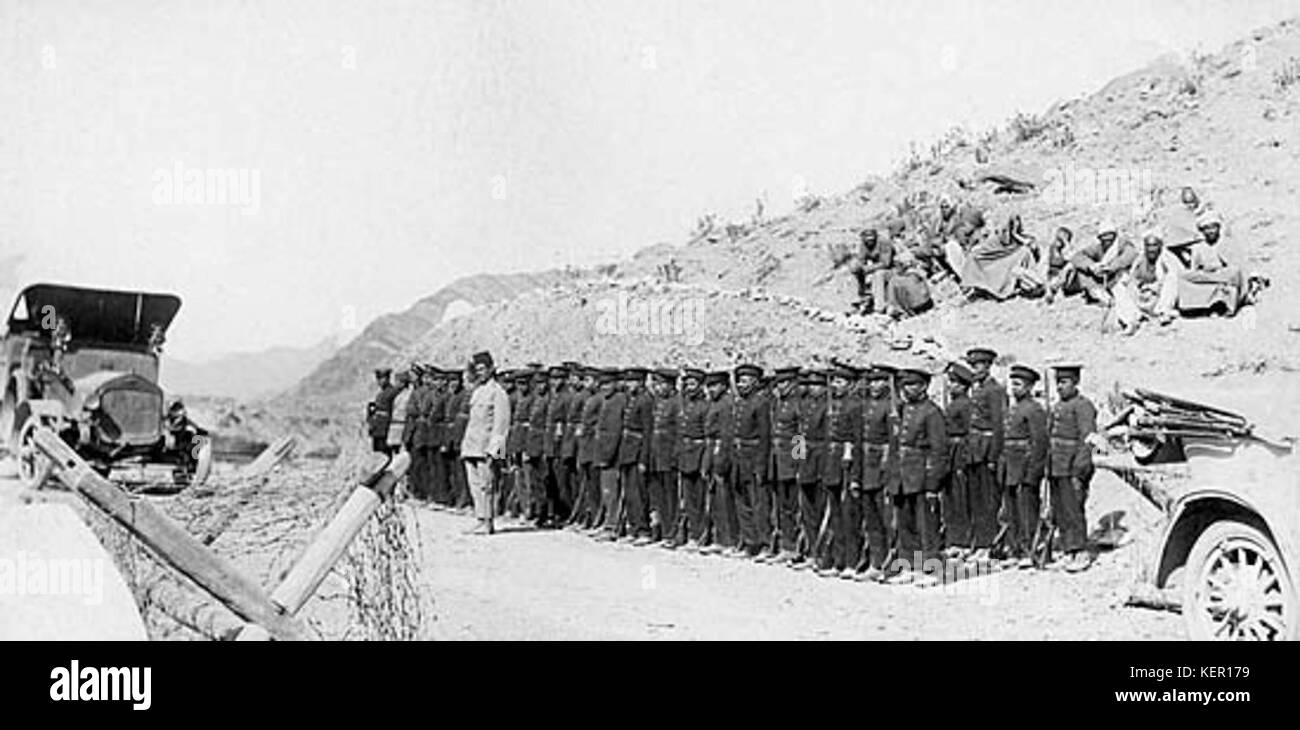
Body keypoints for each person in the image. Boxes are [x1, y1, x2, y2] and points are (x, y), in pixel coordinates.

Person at [886, 367, 947, 586]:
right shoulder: (902, 410)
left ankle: (931, 570)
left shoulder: (932, 412)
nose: (908, 389)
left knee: (926, 525)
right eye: (905, 385)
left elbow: (938, 451)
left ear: (924, 387)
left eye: (913, 384)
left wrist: (933, 483)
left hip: (921, 474)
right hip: (902, 475)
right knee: (906, 525)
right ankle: (910, 565)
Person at [1047, 363, 1099, 572]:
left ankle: (1081, 552)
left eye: (1064, 382)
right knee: (1060, 510)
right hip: (1057, 465)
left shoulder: (1083, 406)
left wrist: (1080, 469)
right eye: (1057, 382)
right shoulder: (1058, 406)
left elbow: (1088, 439)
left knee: (1073, 510)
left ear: (1076, 382)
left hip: (1073, 465)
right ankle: (1069, 550)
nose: (1060, 386)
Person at [1001, 365, 1048, 568]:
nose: (1014, 389)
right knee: (1012, 510)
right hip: (1011, 465)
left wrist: (1033, 471)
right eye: (1012, 384)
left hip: (1025, 465)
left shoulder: (1034, 409)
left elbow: (1040, 442)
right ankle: (1015, 548)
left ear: (1029, 387)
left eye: (1018, 385)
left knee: (1027, 509)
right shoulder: (1013, 409)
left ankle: (1030, 549)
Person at [460, 351, 511, 536]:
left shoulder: (498, 393)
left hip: (485, 448)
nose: (480, 372)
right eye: (477, 369)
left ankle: (489, 521)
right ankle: (480, 518)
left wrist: (495, 452)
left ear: (491, 369)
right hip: (471, 446)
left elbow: (501, 425)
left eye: (483, 369)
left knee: (487, 485)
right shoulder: (478, 391)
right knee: (474, 484)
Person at [964, 347, 1005, 566]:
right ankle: (980, 543)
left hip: (987, 448)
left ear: (988, 366)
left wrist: (993, 456)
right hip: (975, 449)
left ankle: (991, 545)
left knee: (989, 500)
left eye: (978, 365)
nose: (974, 370)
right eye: (971, 366)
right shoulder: (976, 389)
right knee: (976, 500)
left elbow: (998, 425)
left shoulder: (995, 391)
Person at [819, 364, 861, 578]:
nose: (836, 385)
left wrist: (854, 472)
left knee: (848, 515)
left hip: (845, 463)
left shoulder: (855, 406)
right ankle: (836, 559)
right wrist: (800, 462)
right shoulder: (829, 405)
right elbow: (802, 435)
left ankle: (851, 562)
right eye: (834, 381)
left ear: (851, 384)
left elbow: (857, 440)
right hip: (825, 462)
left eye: (841, 381)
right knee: (834, 516)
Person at [1169, 209, 1251, 317]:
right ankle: (1199, 307)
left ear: (1218, 228)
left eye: (1213, 227)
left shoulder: (1226, 244)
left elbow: (1235, 268)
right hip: (1207, 277)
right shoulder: (1198, 247)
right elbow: (1194, 269)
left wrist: (1219, 272)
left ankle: (1221, 305)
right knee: (1182, 275)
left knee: (1233, 272)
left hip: (1223, 276)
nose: (1211, 231)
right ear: (1203, 231)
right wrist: (1204, 273)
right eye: (1207, 229)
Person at [854, 365, 895, 581]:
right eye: (871, 381)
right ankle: (875, 562)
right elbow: (799, 434)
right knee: (871, 520)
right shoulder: (864, 407)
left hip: (880, 467)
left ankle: (890, 564)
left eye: (878, 381)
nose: (873, 385)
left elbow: (894, 443)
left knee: (886, 519)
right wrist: (799, 462)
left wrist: (889, 472)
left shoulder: (891, 408)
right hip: (858, 465)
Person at [731, 364, 772, 559]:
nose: (741, 385)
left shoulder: (761, 403)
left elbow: (765, 437)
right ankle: (750, 542)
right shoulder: (740, 403)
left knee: (759, 504)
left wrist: (761, 465)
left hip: (754, 457)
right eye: (739, 381)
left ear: (755, 383)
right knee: (743, 503)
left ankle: (765, 543)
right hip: (740, 458)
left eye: (745, 381)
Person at [764, 366, 803, 565]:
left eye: (785, 382)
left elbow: (799, 435)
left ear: (793, 383)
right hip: (778, 460)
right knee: (781, 506)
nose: (781, 386)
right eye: (779, 383)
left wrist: (797, 464)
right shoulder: (777, 403)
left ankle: (795, 547)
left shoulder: (797, 404)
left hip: (790, 461)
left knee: (792, 507)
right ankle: (785, 545)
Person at [794, 369, 828, 571]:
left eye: (818, 385)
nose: (814, 388)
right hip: (806, 460)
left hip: (821, 459)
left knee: (821, 508)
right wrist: (797, 462)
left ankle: (821, 554)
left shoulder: (828, 406)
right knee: (808, 510)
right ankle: (811, 550)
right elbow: (799, 436)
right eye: (812, 385)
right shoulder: (805, 406)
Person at [1059, 219, 1137, 306]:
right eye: (1104, 238)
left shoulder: (1123, 244)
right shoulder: (1098, 248)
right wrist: (1091, 266)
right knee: (1080, 273)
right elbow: (1077, 257)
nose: (1107, 241)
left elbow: (1129, 255)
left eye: (1110, 237)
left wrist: (1111, 267)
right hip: (1101, 279)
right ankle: (1099, 294)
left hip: (1118, 276)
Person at [1114, 231, 1179, 335]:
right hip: (1143, 297)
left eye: (1154, 245)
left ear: (1160, 246)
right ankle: (1132, 319)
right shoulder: (1140, 259)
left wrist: (1154, 287)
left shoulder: (1167, 258)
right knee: (1119, 286)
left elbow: (1175, 276)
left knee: (1171, 278)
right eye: (1148, 245)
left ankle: (1163, 313)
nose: (1151, 249)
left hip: (1158, 298)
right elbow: (1132, 277)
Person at [940, 362, 974, 560]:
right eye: (951, 382)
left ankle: (964, 542)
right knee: (950, 498)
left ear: (964, 386)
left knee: (961, 498)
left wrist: (964, 459)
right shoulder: (953, 404)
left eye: (955, 383)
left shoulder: (966, 405)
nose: (951, 386)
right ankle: (954, 539)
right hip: (950, 452)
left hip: (959, 452)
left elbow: (969, 433)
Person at [701, 370, 737, 555]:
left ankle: (730, 540)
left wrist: (721, 462)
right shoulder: (715, 404)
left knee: (726, 500)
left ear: (724, 386)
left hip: (727, 453)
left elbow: (726, 435)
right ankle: (720, 538)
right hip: (713, 450)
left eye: (714, 385)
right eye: (709, 386)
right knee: (716, 498)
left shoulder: (726, 405)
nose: (711, 389)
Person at [618, 368, 654, 545]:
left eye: (632, 381)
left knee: (639, 493)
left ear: (641, 382)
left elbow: (647, 432)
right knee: (630, 493)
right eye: (628, 381)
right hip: (628, 449)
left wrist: (643, 459)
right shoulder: (631, 399)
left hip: (638, 451)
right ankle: (633, 527)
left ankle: (643, 530)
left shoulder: (645, 401)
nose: (629, 384)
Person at [677, 367, 711, 551]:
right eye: (687, 384)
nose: (689, 388)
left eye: (692, 384)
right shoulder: (685, 405)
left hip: (698, 455)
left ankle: (700, 534)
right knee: (688, 499)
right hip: (686, 455)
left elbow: (798, 434)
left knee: (699, 499)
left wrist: (797, 463)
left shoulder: (705, 406)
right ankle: (692, 533)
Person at [647, 369, 681, 547]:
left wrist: (675, 457)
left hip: (669, 457)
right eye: (657, 384)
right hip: (657, 456)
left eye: (661, 384)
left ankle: (673, 533)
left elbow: (679, 433)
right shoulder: (659, 402)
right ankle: (664, 531)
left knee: (671, 497)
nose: (658, 388)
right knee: (659, 496)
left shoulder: (677, 403)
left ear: (670, 385)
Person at [593, 368, 626, 541]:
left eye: (608, 384)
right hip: (604, 452)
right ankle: (608, 523)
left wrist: (607, 456)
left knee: (612, 492)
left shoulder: (617, 401)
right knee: (606, 491)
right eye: (602, 384)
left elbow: (614, 432)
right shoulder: (608, 400)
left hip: (612, 455)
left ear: (616, 384)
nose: (604, 387)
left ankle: (612, 527)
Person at [525, 369, 553, 527]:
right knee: (535, 481)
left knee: (545, 481)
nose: (540, 386)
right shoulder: (535, 399)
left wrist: (546, 448)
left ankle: (546, 514)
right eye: (537, 383)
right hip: (533, 443)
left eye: (542, 383)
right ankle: (538, 512)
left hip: (543, 443)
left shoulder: (549, 400)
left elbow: (548, 426)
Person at [851, 228, 895, 314]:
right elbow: (861, 259)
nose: (869, 241)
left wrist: (867, 269)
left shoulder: (884, 242)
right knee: (856, 272)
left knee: (878, 275)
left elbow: (886, 263)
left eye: (871, 239)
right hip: (876, 267)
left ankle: (879, 307)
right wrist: (858, 268)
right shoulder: (863, 244)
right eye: (867, 239)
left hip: (893, 269)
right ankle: (860, 299)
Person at [367, 367, 405, 455]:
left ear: (387, 379)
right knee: (379, 450)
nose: (380, 382)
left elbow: (397, 390)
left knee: (385, 450)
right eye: (378, 379)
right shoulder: (382, 393)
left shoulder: (390, 391)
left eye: (382, 379)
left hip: (384, 426)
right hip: (378, 426)